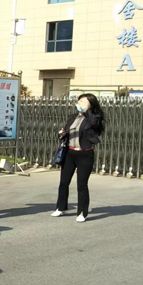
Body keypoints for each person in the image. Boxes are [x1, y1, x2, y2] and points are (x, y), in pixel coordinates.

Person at [52, 93, 105, 223]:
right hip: (70, 153)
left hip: (85, 154)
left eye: (84, 102)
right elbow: (66, 131)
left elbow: (94, 125)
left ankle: (82, 212)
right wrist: (61, 134)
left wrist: (86, 112)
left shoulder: (95, 118)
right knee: (64, 182)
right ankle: (60, 207)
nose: (80, 104)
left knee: (82, 184)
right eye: (79, 101)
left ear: (90, 104)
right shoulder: (73, 117)